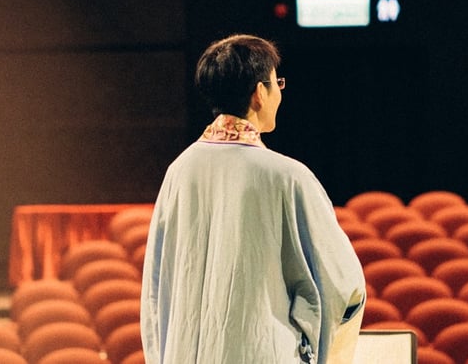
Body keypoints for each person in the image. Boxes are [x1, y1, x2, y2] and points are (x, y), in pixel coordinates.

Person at [140, 34, 366, 364]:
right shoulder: (287, 176)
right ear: (260, 93)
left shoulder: (179, 171)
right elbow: (342, 286)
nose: (279, 94)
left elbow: (156, 289)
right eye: (278, 83)